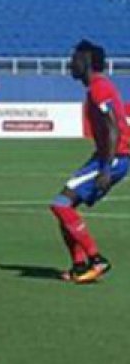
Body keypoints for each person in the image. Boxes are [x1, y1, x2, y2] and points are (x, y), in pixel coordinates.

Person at [51, 40, 130, 284]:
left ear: (86, 61)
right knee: (65, 208)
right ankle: (79, 266)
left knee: (61, 204)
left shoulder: (99, 87)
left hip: (115, 157)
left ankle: (97, 260)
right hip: (108, 156)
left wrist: (106, 169)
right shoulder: (97, 88)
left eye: (74, 59)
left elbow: (113, 127)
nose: (70, 64)